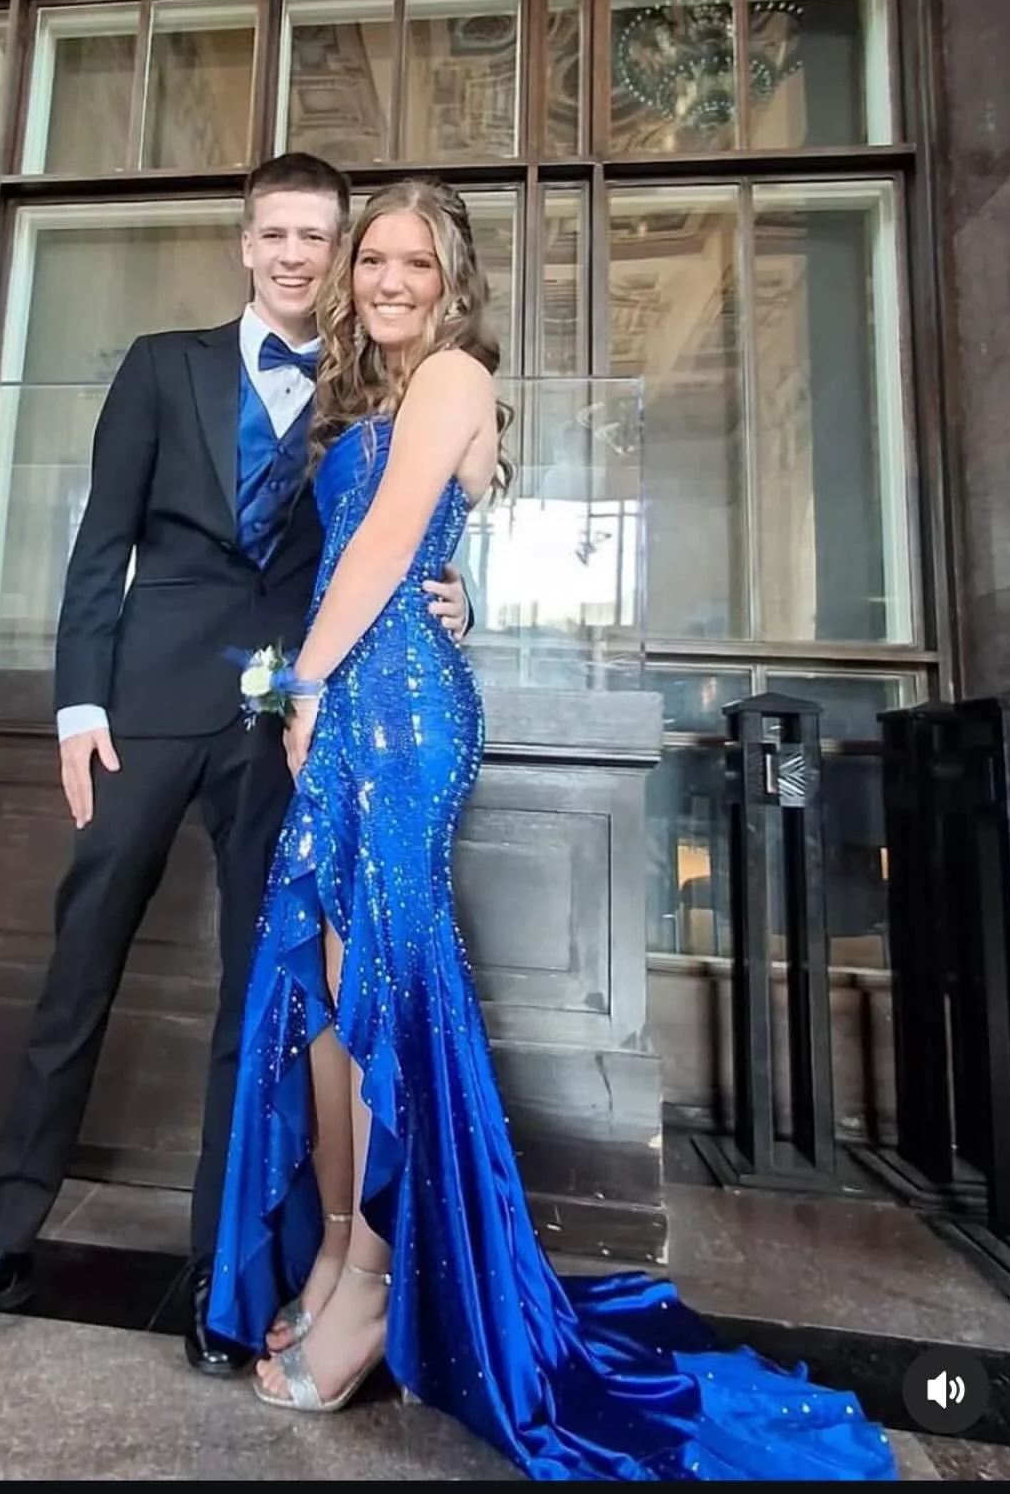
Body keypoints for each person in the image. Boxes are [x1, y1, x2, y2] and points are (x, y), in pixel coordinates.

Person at [207, 177, 898, 1482]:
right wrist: (352, 654)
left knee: (383, 990)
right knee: (326, 996)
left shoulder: (455, 375)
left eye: (413, 261)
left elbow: (385, 546)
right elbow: (386, 542)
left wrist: (305, 680)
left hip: (396, 712)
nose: (388, 280)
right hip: (356, 694)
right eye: (374, 260)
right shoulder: (373, 393)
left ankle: (370, 1281)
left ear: (450, 278)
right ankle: (343, 1243)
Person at [0, 153, 470, 1376]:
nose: (299, 255)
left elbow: (395, 529)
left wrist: (459, 599)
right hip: (142, 709)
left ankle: (221, 1271)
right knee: (76, 971)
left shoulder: (370, 392)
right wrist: (77, 704)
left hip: (288, 730)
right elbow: (102, 546)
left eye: (320, 236)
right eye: (278, 235)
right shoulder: (160, 366)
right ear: (246, 246)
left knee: (260, 1002)